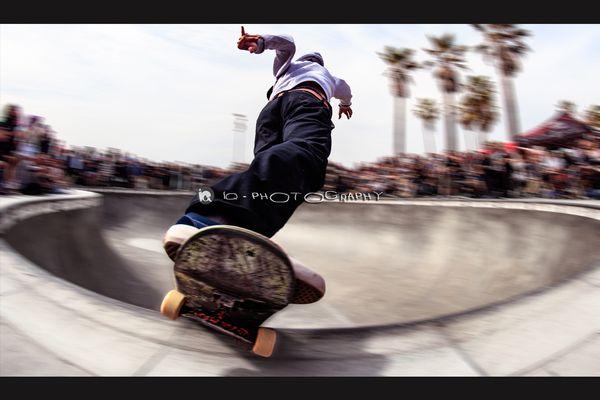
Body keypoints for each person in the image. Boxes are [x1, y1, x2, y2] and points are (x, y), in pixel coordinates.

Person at [162, 27, 354, 303]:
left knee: (268, 172)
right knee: (304, 162)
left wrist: (262, 43)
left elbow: (286, 45)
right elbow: (344, 89)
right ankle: (215, 221)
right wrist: (345, 104)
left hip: (270, 116)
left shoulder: (285, 69)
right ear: (320, 65)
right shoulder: (328, 76)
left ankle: (229, 227)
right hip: (306, 104)